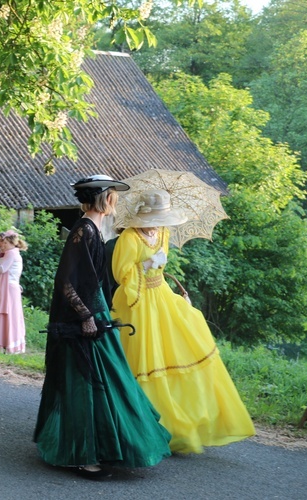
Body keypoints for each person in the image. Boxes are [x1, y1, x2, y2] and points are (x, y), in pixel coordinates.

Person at [33, 175, 171, 480]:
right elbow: (66, 282)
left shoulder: (94, 229)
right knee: (87, 381)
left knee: (105, 378)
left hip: (95, 309)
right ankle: (84, 455)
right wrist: (84, 316)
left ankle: (99, 448)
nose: (117, 201)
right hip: (83, 314)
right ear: (105, 198)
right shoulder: (84, 231)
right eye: (114, 196)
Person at [111, 188, 255, 454]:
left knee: (184, 340)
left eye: (161, 216)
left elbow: (161, 268)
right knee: (146, 355)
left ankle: (183, 421)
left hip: (161, 294)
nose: (159, 221)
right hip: (139, 301)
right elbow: (122, 275)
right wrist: (145, 266)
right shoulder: (130, 238)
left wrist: (158, 265)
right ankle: (141, 424)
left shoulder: (163, 232)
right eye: (155, 216)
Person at [0, 230, 27, 353]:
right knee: (9, 315)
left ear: (12, 243)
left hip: (9, 288)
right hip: (10, 287)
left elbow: (2, 270)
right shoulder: (13, 253)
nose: (4, 245)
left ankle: (5, 342)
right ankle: (6, 342)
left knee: (7, 315)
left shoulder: (11, 253)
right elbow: (5, 266)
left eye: (6, 243)